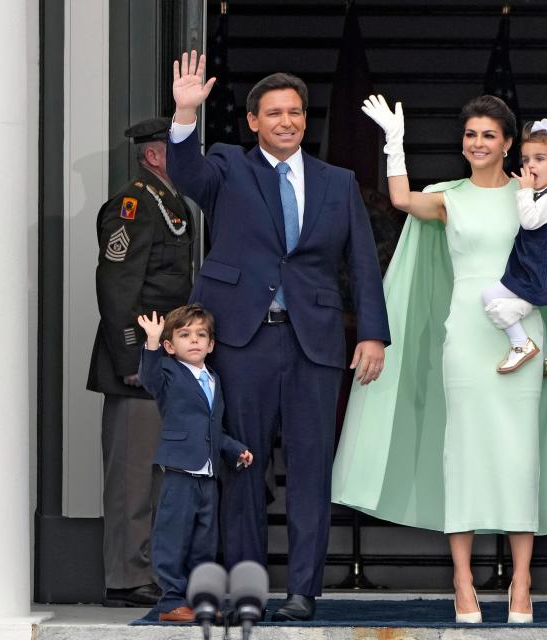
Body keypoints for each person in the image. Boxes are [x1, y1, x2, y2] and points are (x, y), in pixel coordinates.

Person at [333, 94, 547, 624]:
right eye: (471, 134)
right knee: (460, 453)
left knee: (519, 455)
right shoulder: (449, 197)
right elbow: (399, 200)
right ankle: (462, 581)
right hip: (466, 331)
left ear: (510, 143)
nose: (478, 143)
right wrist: (395, 142)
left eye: (490, 135)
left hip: (522, 329)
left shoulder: (532, 192)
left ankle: (522, 583)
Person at [166, 52, 390, 622]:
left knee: (313, 466)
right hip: (244, 341)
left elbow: (362, 264)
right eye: (274, 113)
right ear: (253, 122)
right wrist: (185, 115)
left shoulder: (338, 182)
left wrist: (373, 335)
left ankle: (302, 591)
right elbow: (188, 178)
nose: (286, 121)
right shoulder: (226, 166)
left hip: (313, 342)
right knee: (243, 465)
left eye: (295, 112)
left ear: (305, 120)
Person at [87, 116, 195, 607]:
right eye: (177, 149)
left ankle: (147, 570)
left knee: (157, 474)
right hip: (137, 363)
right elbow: (117, 287)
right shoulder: (133, 206)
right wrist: (134, 356)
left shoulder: (168, 203)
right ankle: (126, 578)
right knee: (132, 476)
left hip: (164, 359)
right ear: (155, 155)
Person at [137, 305, 253, 623]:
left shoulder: (214, 379)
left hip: (208, 474)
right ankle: (171, 601)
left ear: (211, 345)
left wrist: (234, 450)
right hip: (180, 471)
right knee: (173, 537)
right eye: (185, 334)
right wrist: (151, 341)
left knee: (204, 541)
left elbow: (215, 428)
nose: (195, 340)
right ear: (170, 346)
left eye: (201, 335)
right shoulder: (168, 373)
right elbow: (148, 379)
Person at [482, 117, 547, 373]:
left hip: (541, 274)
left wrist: (524, 191)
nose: (530, 166)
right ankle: (541, 354)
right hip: (542, 272)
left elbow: (529, 222)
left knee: (492, 298)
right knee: (502, 301)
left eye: (540, 159)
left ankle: (521, 342)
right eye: (526, 160)